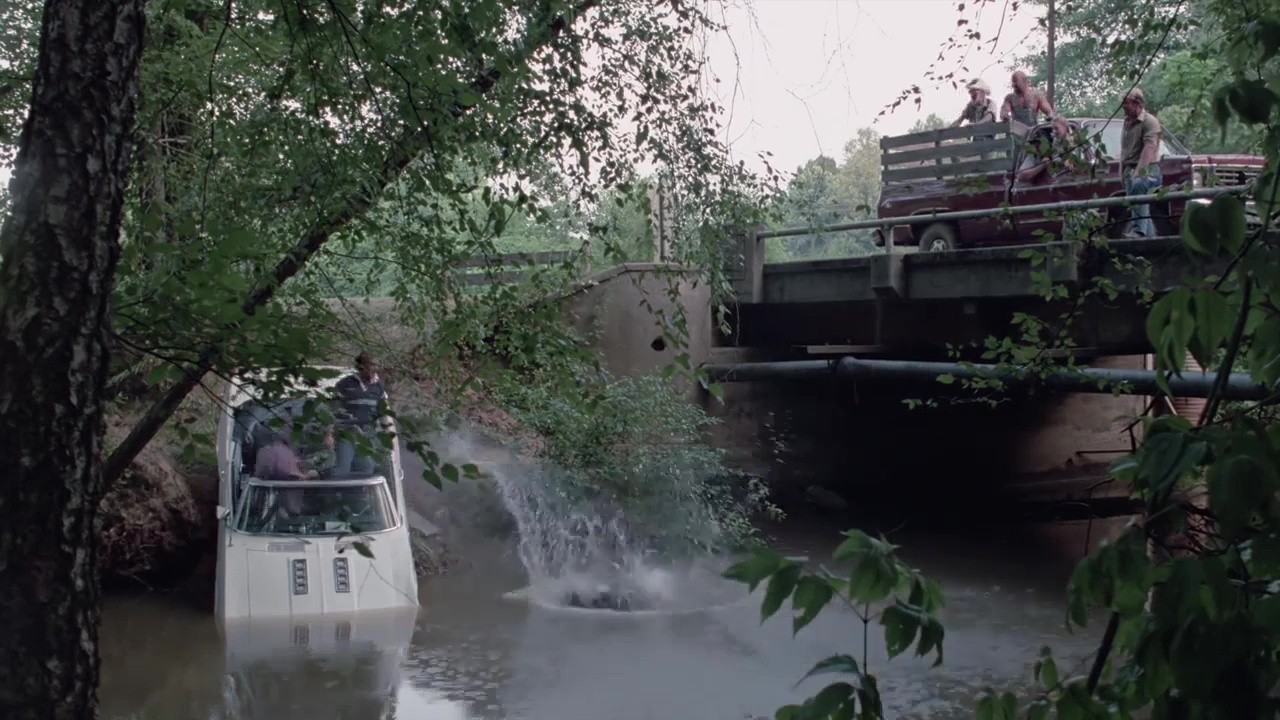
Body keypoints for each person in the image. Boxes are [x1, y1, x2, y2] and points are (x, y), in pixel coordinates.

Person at [333, 351, 388, 475]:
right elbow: (332, 410)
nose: (373, 368)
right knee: (342, 469)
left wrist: (387, 436)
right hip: (347, 434)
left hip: (368, 435)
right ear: (360, 366)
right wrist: (329, 432)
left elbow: (383, 414)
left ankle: (360, 488)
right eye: (370, 365)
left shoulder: (379, 386)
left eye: (375, 365)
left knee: (367, 468)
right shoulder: (345, 383)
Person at [1120, 88, 1163, 238]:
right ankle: (1150, 240)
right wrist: (1122, 170)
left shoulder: (1149, 121)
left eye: (1126, 103)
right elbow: (1124, 148)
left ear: (1137, 103)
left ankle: (1138, 230)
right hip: (1130, 167)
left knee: (1138, 186)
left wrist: (1138, 173)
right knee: (1138, 205)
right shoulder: (1127, 122)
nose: (1123, 106)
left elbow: (1150, 148)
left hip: (1149, 168)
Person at [1015, 117, 1077, 184]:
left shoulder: (1075, 141)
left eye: (1039, 143)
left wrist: (1068, 160)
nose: (1035, 146)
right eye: (1034, 143)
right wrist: (1043, 165)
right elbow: (1021, 175)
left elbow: (1078, 159)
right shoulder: (1035, 154)